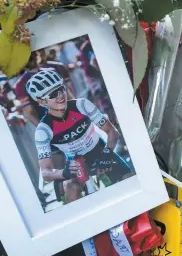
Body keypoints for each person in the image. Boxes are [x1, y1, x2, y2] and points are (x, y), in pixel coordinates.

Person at [27, 70, 132, 204]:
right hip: (75, 163)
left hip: (99, 151)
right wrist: (64, 173)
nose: (60, 96)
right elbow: (46, 173)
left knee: (129, 180)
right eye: (53, 94)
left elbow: (112, 132)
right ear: (42, 102)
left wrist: (107, 152)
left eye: (61, 89)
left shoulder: (82, 105)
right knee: (72, 188)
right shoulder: (43, 130)